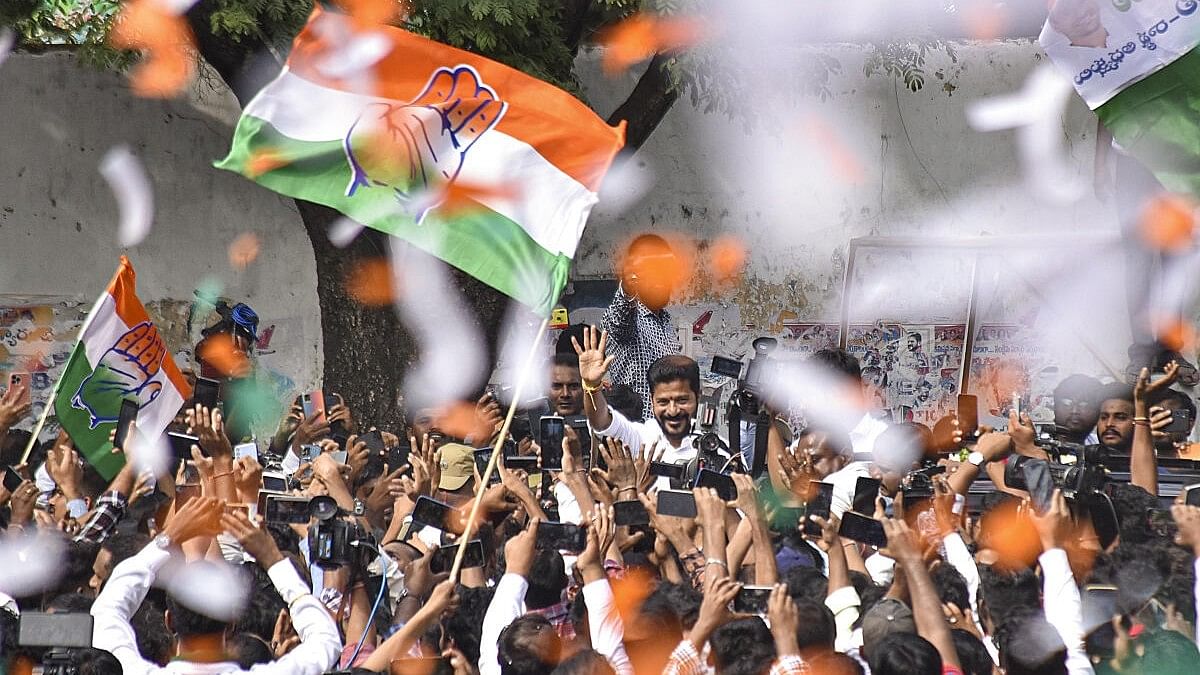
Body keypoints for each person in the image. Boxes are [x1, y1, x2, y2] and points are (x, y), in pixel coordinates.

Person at [90, 497, 341, 674]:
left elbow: (107, 610)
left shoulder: (133, 670)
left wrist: (169, 537)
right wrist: (272, 559)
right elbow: (326, 641)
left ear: (169, 621)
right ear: (232, 622)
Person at [573, 326, 724, 483]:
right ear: (652, 399)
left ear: (697, 397)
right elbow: (601, 422)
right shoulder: (641, 438)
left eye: (682, 400)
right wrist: (592, 386)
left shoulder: (718, 448)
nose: (672, 411)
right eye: (663, 402)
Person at [600, 235, 684, 419]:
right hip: (636, 433)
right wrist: (627, 290)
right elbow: (619, 322)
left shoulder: (667, 323)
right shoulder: (628, 318)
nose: (664, 284)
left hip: (666, 431)